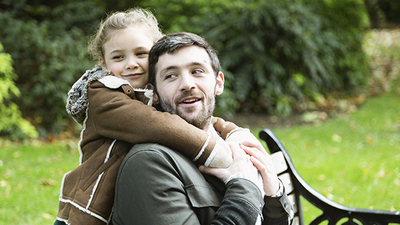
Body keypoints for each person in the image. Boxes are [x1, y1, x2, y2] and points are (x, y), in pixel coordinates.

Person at [55, 8, 259, 225]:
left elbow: (203, 122)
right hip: (91, 207)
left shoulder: (150, 94)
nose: (131, 63)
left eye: (140, 54)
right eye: (118, 57)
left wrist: (233, 132)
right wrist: (215, 152)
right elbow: (155, 124)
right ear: (103, 63)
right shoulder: (104, 94)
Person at [111, 32, 294, 224]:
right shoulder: (149, 163)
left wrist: (274, 194)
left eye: (197, 71)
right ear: (154, 93)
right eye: (171, 76)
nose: (187, 84)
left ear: (218, 83)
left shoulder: (233, 145)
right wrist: (245, 185)